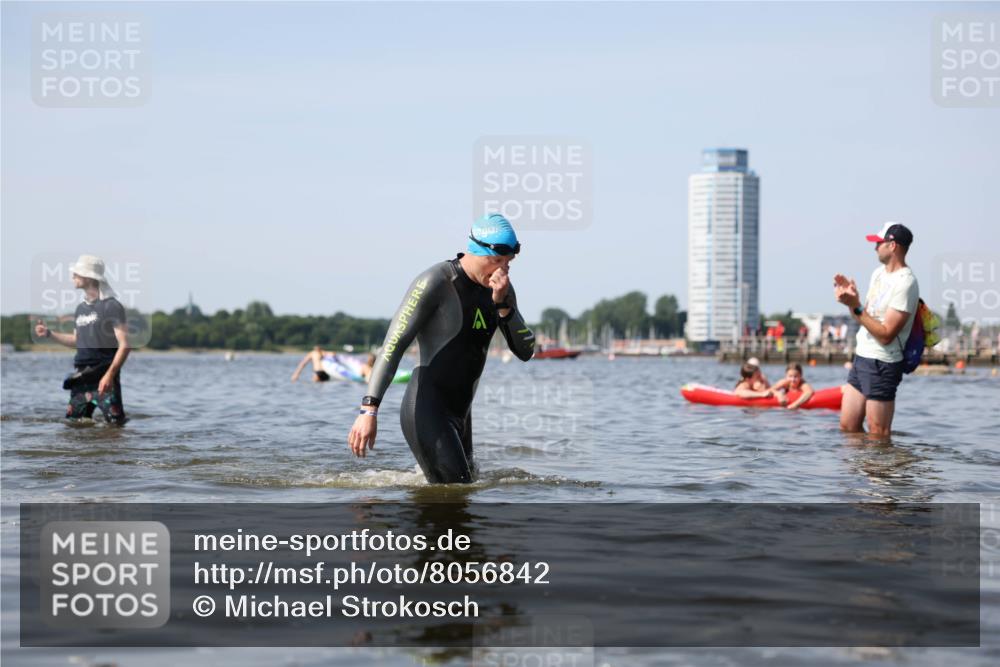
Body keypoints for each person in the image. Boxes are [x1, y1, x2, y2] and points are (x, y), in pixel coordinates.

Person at [347, 214, 535, 483]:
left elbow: (526, 351)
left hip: (462, 414)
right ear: (476, 250)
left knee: (463, 498)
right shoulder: (435, 282)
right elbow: (393, 345)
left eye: (508, 263)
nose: (502, 270)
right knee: (456, 493)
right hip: (427, 408)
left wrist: (503, 306)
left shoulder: (501, 289)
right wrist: (369, 410)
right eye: (496, 261)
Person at [834, 222, 919, 437]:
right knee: (847, 427)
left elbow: (886, 334)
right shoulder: (878, 274)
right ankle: (859, 470)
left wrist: (855, 306)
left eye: (879, 243)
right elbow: (865, 316)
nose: (875, 247)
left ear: (893, 246)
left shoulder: (906, 283)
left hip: (883, 362)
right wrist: (851, 300)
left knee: (878, 434)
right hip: (862, 357)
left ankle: (880, 471)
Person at [34, 255, 130, 425]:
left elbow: (125, 345)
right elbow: (77, 341)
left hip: (104, 378)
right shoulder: (80, 309)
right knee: (73, 426)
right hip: (81, 377)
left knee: (115, 428)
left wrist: (109, 375)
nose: (73, 277)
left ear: (88, 277)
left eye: (76, 274)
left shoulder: (112, 306)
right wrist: (49, 334)